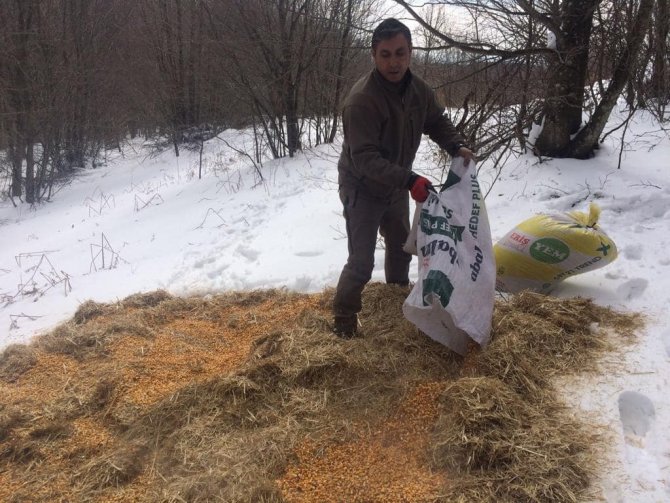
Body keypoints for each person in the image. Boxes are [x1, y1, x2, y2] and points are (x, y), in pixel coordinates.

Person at [332, 18, 475, 338]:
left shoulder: (418, 91)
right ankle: (343, 322)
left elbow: (436, 121)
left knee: (400, 249)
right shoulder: (361, 100)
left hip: (395, 186)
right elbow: (365, 159)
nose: (393, 62)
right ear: (373, 55)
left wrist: (456, 145)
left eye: (400, 53)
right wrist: (410, 180)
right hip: (363, 188)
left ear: (410, 53)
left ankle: (396, 303)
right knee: (361, 262)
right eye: (385, 54)